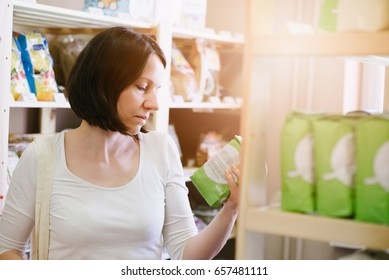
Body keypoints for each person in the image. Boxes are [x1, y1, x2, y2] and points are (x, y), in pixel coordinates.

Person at [0, 26, 240, 260]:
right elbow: (6, 249)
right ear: (103, 82)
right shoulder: (42, 156)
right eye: (142, 87)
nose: (154, 104)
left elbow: (187, 255)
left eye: (156, 89)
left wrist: (231, 208)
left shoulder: (161, 150)